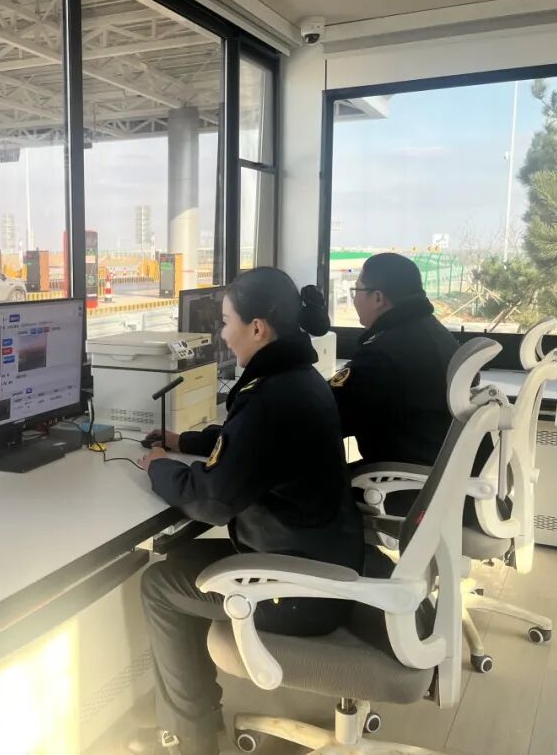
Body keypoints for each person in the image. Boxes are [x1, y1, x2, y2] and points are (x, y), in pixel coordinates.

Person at [127, 268, 365, 755]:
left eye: (225, 322)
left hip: (299, 589)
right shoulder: (297, 378)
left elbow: (213, 502)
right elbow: (248, 446)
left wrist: (158, 466)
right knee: (183, 561)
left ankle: (191, 738)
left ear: (257, 328)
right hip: (323, 559)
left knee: (160, 584)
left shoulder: (270, 396)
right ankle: (192, 715)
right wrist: (184, 441)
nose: (222, 334)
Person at [332, 252, 488, 517]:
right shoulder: (432, 334)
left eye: (357, 290)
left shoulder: (385, 352)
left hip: (408, 487)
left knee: (304, 484)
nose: (355, 298)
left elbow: (332, 416)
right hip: (447, 479)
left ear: (378, 298)